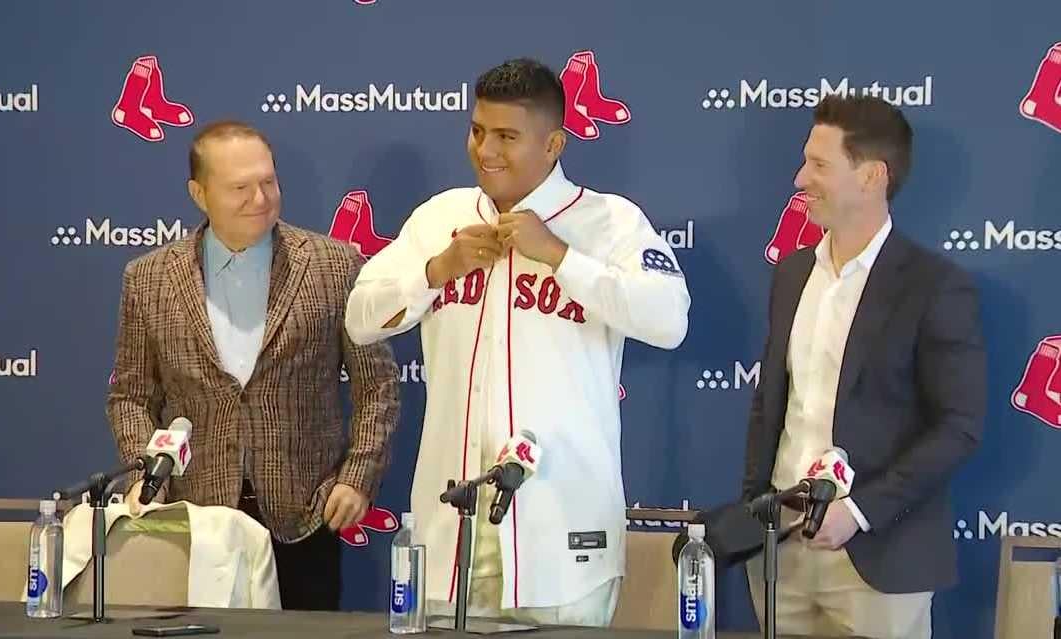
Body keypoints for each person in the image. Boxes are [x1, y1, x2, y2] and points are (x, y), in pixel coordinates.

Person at [344, 57, 691, 626]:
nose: (486, 151)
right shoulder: (441, 218)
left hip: (561, 534)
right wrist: (437, 269)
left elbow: (669, 319)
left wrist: (560, 256)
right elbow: (360, 319)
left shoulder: (609, 222)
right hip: (452, 528)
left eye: (507, 136)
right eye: (478, 131)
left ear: (553, 143)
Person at [106, 120, 401, 611]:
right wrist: (148, 470)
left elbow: (379, 386)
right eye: (240, 187)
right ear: (199, 193)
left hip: (306, 517)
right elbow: (131, 395)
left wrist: (357, 476)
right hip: (196, 520)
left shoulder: (333, 265)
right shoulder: (148, 278)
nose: (260, 198)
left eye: (268, 182)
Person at [741, 94, 986, 639]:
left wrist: (859, 511)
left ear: (873, 175)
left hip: (880, 561)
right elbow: (772, 402)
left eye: (820, 165)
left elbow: (959, 427)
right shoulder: (791, 273)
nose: (800, 178)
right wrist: (755, 508)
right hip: (780, 554)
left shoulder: (935, 286)